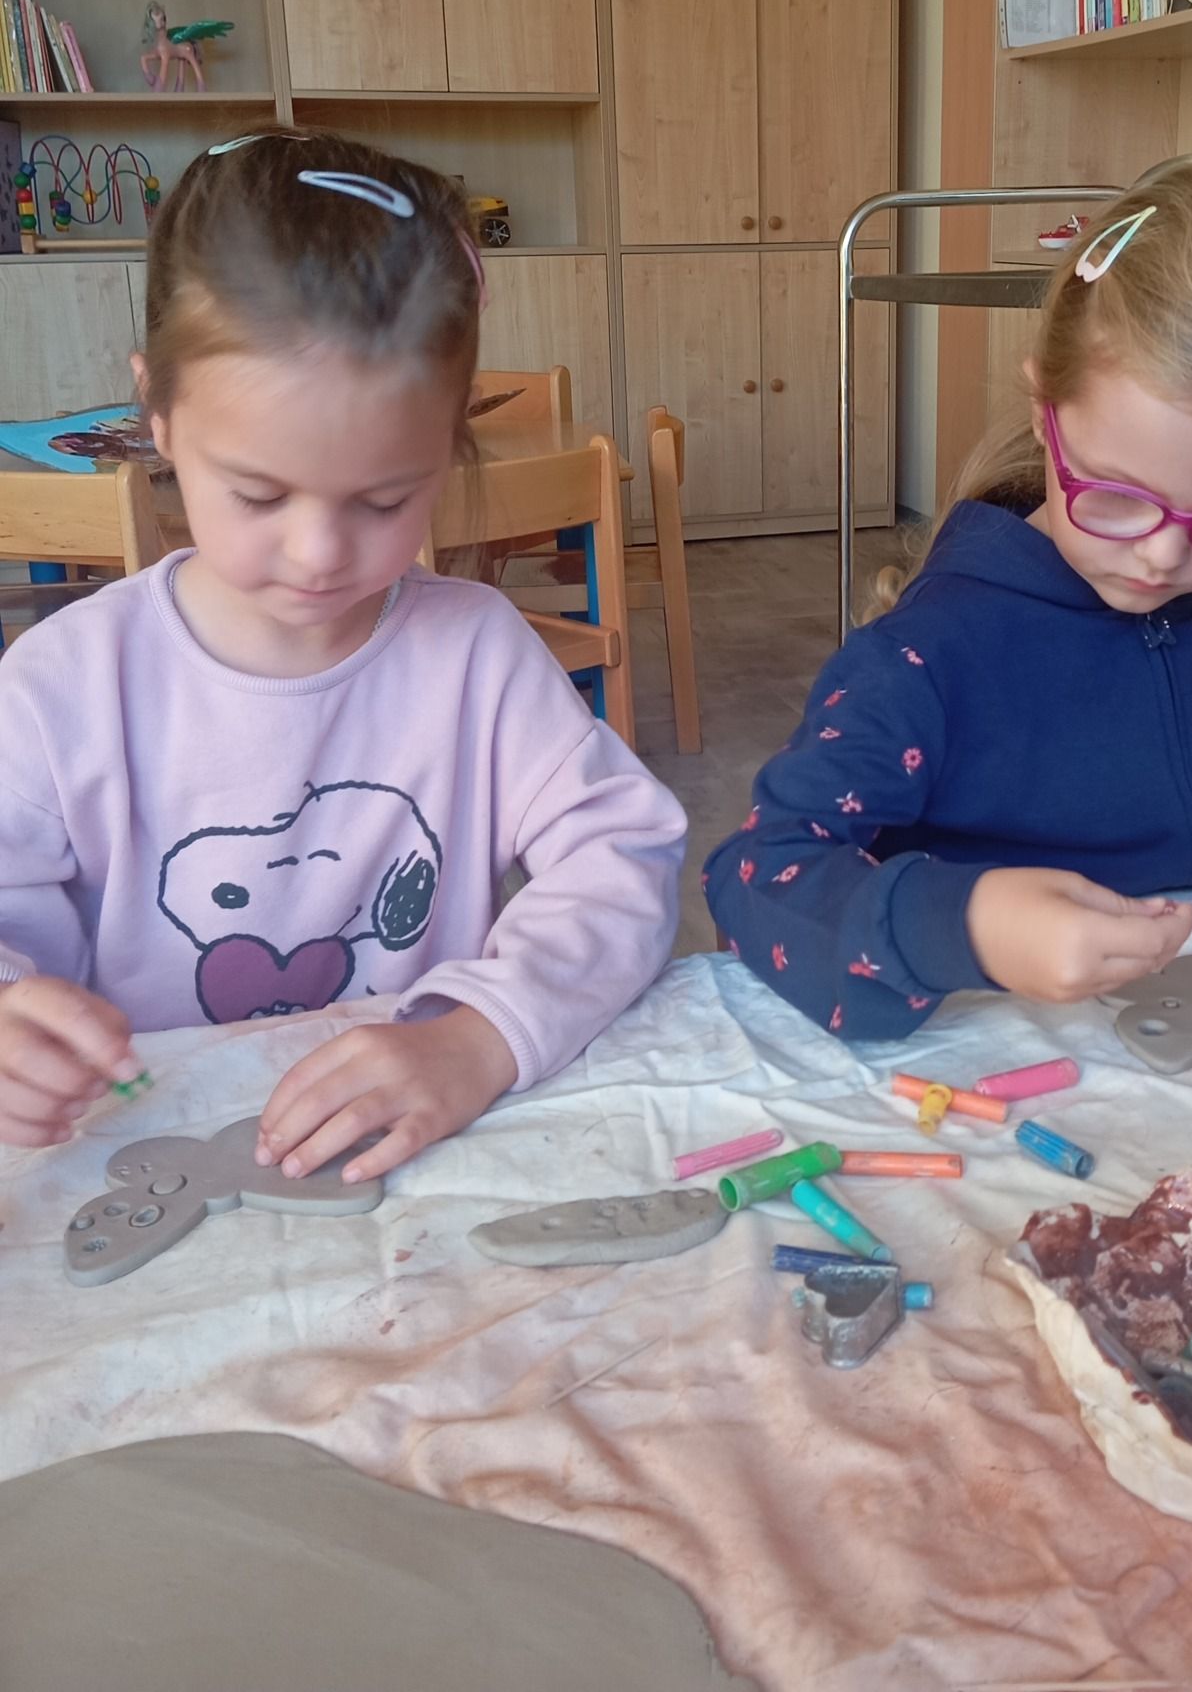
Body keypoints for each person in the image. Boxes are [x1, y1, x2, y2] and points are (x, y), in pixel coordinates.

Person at [0, 128, 686, 1176]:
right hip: (146, 1158)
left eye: (384, 499)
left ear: (448, 443)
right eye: (258, 494)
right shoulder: (64, 686)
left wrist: (480, 1037)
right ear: (159, 417)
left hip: (407, 1157)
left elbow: (624, 856)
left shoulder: (478, 655)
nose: (320, 552)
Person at [705, 167, 1192, 1040]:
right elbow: (755, 876)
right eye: (1118, 496)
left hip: (1164, 1052)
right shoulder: (926, 657)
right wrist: (967, 926)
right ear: (1044, 409)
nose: (1165, 556)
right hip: (974, 1065)